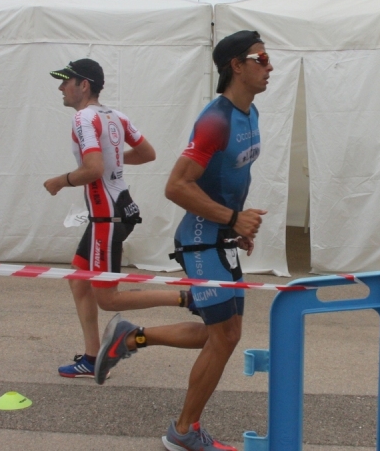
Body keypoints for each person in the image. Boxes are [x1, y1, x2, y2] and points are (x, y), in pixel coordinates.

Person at [93, 31, 272, 451]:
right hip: (200, 238)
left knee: (225, 334)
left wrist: (234, 227)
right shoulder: (216, 120)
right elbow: (176, 186)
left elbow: (229, 178)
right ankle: (183, 432)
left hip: (219, 236)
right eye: (261, 58)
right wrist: (231, 219)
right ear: (236, 66)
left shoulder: (251, 113)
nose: (269, 66)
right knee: (223, 337)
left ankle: (131, 337)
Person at [46, 58, 187, 379]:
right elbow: (147, 153)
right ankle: (92, 358)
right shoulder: (116, 116)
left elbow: (93, 170)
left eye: (66, 81)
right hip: (115, 211)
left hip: (107, 218)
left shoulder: (83, 118)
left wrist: (60, 181)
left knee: (108, 299)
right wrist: (111, 158)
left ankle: (186, 298)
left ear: (84, 85)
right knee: (79, 279)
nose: (61, 87)